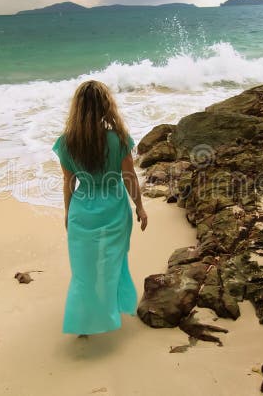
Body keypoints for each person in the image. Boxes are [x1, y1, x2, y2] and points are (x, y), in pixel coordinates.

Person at [52, 80, 148, 338]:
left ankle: (83, 321)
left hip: (82, 210)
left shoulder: (66, 143)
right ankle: (110, 308)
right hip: (114, 208)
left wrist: (67, 212)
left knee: (84, 269)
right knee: (111, 260)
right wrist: (139, 206)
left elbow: (69, 181)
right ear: (107, 106)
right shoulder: (118, 139)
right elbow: (129, 177)